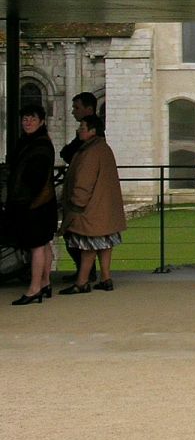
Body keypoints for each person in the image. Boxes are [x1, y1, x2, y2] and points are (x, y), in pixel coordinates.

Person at [58, 115, 126, 294]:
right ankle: (106, 277)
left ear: (92, 130)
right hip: (105, 208)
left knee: (88, 246)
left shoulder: (89, 152)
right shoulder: (103, 148)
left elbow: (83, 182)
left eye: (82, 127)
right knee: (104, 244)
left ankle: (82, 282)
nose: (79, 130)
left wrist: (75, 204)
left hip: (91, 209)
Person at [7, 103, 57, 306]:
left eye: (32, 119)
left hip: (35, 203)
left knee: (37, 245)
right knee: (43, 244)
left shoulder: (39, 146)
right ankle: (44, 283)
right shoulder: (34, 142)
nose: (27, 122)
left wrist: (25, 201)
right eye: (25, 119)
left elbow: (35, 178)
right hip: (40, 202)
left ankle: (34, 288)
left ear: (42, 122)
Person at [58, 91, 99, 282]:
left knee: (76, 233)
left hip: (84, 197)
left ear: (89, 110)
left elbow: (67, 153)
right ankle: (86, 273)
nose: (73, 112)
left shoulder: (90, 137)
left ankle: (84, 275)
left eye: (77, 108)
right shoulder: (88, 136)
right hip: (87, 195)